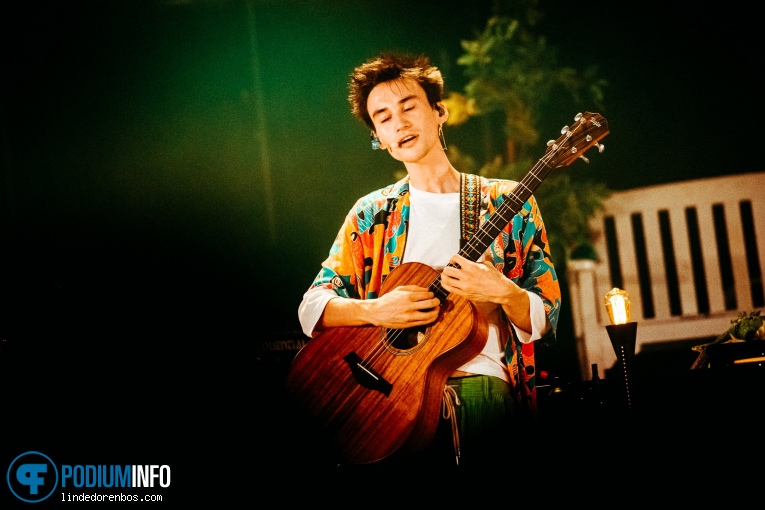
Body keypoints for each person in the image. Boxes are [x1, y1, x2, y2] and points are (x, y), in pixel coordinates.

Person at [296, 52, 561, 471]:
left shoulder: (506, 201)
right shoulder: (372, 213)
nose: (398, 122)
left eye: (408, 106)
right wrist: (377, 309)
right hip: (389, 407)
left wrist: (506, 294)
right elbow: (311, 308)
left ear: (440, 112)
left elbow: (547, 313)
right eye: (382, 118)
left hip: (482, 394)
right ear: (378, 139)